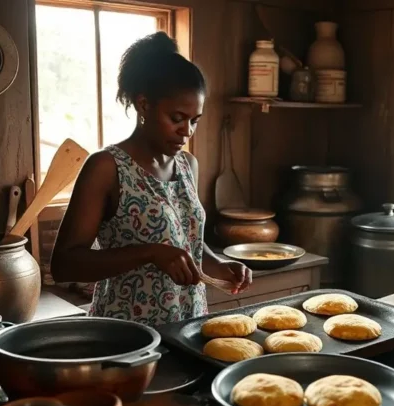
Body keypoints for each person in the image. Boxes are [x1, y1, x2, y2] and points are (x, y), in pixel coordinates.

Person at [51, 32, 252, 327]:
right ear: (144, 105)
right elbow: (64, 265)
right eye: (177, 118)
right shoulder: (107, 167)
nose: (187, 131)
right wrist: (149, 253)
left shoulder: (187, 166)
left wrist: (218, 264)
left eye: (195, 120)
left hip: (188, 325)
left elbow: (186, 243)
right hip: (127, 335)